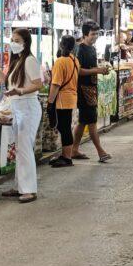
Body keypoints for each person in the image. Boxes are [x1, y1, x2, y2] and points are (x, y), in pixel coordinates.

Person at [0, 28, 44, 202]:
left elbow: (38, 84)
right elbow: (5, 81)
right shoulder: (17, 61)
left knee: (25, 149)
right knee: (20, 149)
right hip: (18, 108)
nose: (13, 43)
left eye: (17, 40)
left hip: (28, 108)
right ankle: (20, 186)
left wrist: (20, 91)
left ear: (25, 43)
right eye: (12, 40)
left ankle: (29, 190)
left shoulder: (30, 60)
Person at [72, 21, 113, 163]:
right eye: (92, 34)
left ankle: (74, 150)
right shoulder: (80, 49)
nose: (95, 36)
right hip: (83, 90)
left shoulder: (92, 49)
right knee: (92, 122)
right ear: (84, 35)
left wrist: (100, 69)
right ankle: (101, 152)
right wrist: (97, 70)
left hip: (92, 88)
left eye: (97, 34)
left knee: (83, 121)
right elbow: (78, 71)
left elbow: (91, 68)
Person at [47, 35, 81, 168]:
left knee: (64, 128)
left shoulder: (60, 61)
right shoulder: (74, 60)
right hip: (71, 97)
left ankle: (67, 157)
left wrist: (50, 102)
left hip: (61, 99)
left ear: (61, 45)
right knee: (64, 127)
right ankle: (65, 155)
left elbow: (55, 84)